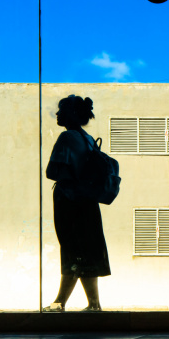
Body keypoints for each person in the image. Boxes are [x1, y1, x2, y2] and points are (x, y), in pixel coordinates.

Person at [43, 95, 111, 312]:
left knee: (73, 250)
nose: (57, 113)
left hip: (70, 202)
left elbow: (52, 171)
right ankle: (76, 302)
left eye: (61, 109)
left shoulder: (67, 138)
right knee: (85, 250)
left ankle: (79, 303)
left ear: (71, 113)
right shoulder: (88, 139)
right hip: (87, 202)